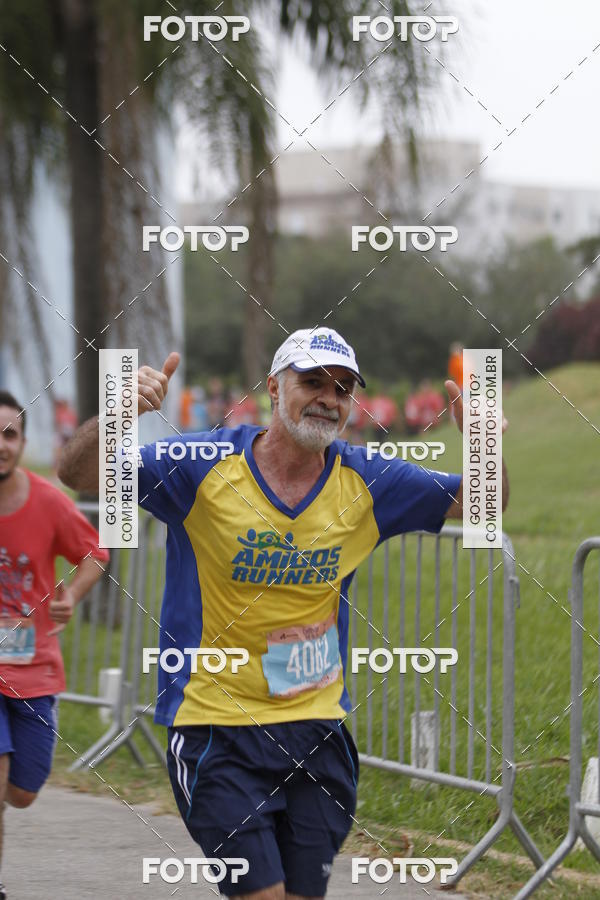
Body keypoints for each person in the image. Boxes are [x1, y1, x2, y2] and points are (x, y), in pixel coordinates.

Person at [58, 327, 509, 900]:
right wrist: (117, 416)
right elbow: (77, 474)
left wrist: (486, 446)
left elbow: (482, 503)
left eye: (344, 388)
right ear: (274, 387)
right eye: (313, 381)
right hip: (214, 725)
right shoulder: (200, 464)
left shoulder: (368, 480)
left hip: (317, 729)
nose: (329, 396)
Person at [0, 390, 108, 900]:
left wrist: (72, 598)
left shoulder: (46, 501)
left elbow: (94, 552)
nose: (1, 445)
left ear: (22, 442)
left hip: (34, 667)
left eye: (10, 434)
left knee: (20, 792)